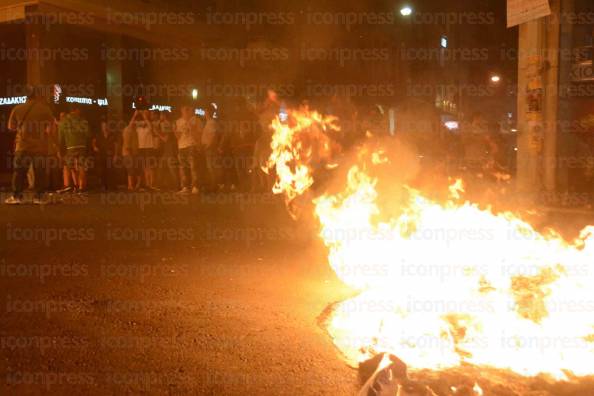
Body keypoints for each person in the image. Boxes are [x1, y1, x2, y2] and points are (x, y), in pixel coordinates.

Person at [5, 86, 55, 204]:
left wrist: (21, 129)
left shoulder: (17, 108)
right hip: (40, 146)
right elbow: (51, 128)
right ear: (37, 96)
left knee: (19, 172)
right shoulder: (45, 109)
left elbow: (10, 127)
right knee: (40, 172)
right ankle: (39, 197)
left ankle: (17, 197)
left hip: (23, 146)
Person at [59, 105, 91, 193]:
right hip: (82, 146)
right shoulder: (84, 121)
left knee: (71, 166)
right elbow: (88, 135)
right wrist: (88, 146)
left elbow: (61, 137)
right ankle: (81, 187)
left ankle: (75, 185)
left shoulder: (64, 121)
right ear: (76, 110)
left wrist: (61, 148)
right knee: (81, 166)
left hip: (70, 147)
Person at [175, 106, 202, 194]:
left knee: (193, 167)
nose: (185, 111)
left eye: (187, 109)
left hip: (192, 145)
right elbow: (177, 137)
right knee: (183, 168)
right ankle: (185, 187)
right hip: (181, 146)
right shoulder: (178, 121)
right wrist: (176, 131)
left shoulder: (196, 120)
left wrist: (190, 124)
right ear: (181, 110)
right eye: (183, 109)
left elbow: (198, 134)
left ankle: (195, 187)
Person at [130, 110, 156, 190]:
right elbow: (130, 125)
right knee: (144, 167)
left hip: (149, 147)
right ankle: (147, 184)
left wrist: (144, 116)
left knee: (149, 167)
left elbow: (150, 127)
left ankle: (151, 184)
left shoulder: (149, 124)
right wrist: (134, 115)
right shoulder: (138, 128)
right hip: (141, 148)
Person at [92, 119, 119, 191]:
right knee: (102, 171)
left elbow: (116, 145)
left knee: (111, 171)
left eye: (106, 126)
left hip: (110, 155)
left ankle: (112, 186)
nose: (105, 127)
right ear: (101, 127)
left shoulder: (112, 135)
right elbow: (93, 141)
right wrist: (94, 147)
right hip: (101, 155)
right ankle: (103, 186)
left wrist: (116, 155)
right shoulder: (99, 135)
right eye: (103, 126)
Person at [156, 111, 179, 190]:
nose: (159, 116)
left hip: (170, 149)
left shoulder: (167, 124)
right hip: (168, 149)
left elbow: (166, 139)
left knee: (172, 168)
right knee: (163, 167)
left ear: (164, 116)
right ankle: (162, 185)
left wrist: (158, 133)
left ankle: (177, 186)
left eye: (161, 115)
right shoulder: (166, 123)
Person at [201, 106, 222, 190]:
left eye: (205, 111)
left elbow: (214, 135)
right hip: (208, 148)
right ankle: (214, 184)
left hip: (210, 149)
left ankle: (215, 185)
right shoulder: (208, 122)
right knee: (210, 167)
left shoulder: (212, 122)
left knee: (212, 167)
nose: (204, 113)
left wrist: (209, 146)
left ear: (209, 112)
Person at [122, 117, 139, 191]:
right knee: (130, 169)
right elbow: (127, 143)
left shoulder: (134, 131)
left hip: (132, 152)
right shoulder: (127, 130)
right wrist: (135, 114)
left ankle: (131, 185)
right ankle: (130, 185)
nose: (134, 123)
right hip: (128, 152)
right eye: (133, 122)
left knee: (132, 169)